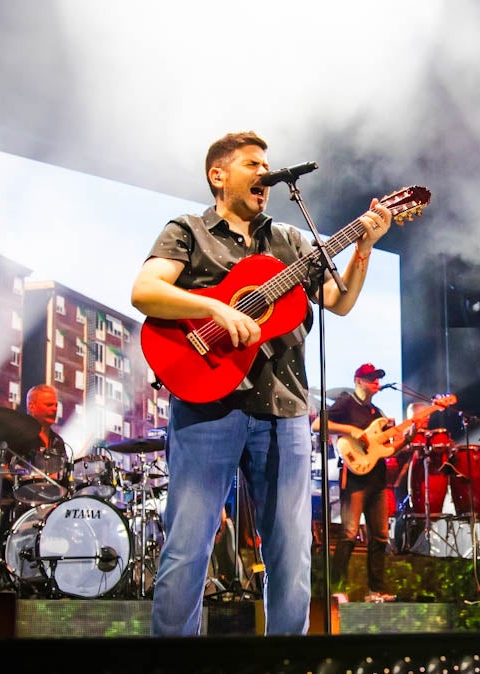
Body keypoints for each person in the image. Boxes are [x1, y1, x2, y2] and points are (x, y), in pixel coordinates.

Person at [131, 131, 392, 635]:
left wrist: (364, 247)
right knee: (188, 544)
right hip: (207, 404)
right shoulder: (187, 231)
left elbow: (339, 302)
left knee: (292, 550)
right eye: (254, 164)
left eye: (268, 166)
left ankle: (287, 661)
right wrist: (213, 307)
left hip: (285, 409)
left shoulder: (290, 241)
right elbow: (145, 290)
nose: (265, 175)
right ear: (218, 175)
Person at [311, 363, 397, 603]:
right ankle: (336, 589)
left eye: (378, 379)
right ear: (358, 380)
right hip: (356, 479)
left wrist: (406, 438)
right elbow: (317, 425)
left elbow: (387, 450)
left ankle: (376, 590)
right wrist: (350, 429)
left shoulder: (377, 413)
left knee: (379, 536)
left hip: (377, 480)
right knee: (349, 534)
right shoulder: (346, 403)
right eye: (371, 378)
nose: (376, 383)